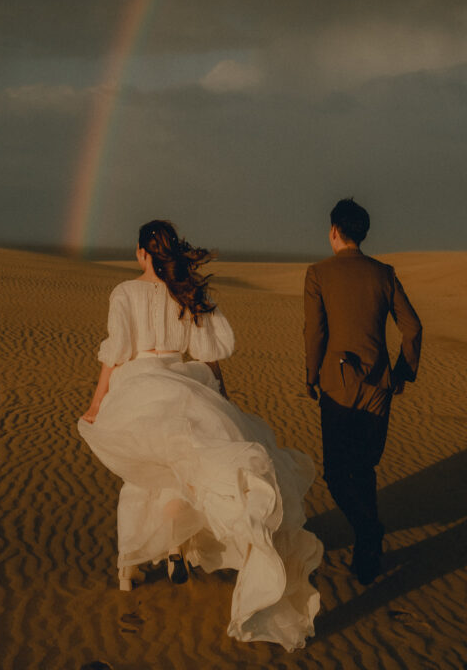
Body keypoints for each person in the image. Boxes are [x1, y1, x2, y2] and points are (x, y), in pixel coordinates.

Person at [78, 219, 323, 651]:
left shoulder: (124, 293)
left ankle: (129, 568)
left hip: (139, 388)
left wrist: (97, 403)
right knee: (184, 470)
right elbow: (210, 353)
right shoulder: (186, 291)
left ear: (141, 253)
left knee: (144, 475)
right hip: (184, 383)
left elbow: (115, 353)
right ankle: (176, 553)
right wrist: (221, 396)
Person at [303, 198, 422, 585]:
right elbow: (413, 328)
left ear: (335, 231)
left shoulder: (318, 273)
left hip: (337, 388)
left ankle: (368, 532)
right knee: (365, 470)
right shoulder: (384, 274)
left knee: (337, 474)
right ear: (362, 233)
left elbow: (315, 331)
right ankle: (366, 556)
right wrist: (403, 372)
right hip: (379, 385)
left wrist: (310, 375)